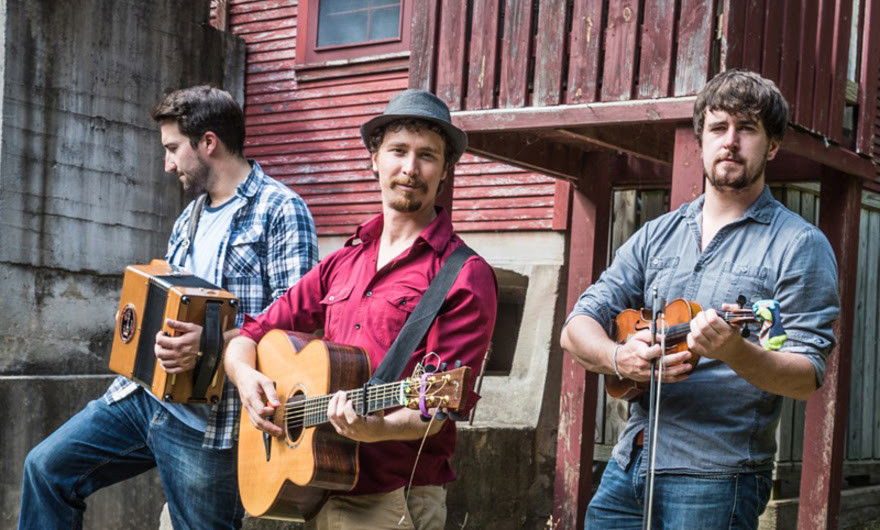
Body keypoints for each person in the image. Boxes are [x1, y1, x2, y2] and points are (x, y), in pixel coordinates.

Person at [18, 86, 318, 529]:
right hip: (143, 398)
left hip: (210, 425)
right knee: (46, 469)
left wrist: (211, 345)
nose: (168, 163)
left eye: (174, 148)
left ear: (208, 143)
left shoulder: (281, 209)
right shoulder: (189, 217)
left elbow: (299, 327)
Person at [560, 69, 840, 529]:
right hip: (628, 466)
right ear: (701, 141)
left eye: (747, 128)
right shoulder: (656, 235)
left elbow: (806, 376)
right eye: (718, 127)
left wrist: (735, 351)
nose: (730, 141)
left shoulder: (799, 245)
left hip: (717, 478)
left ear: (771, 146)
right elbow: (577, 326)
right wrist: (617, 358)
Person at [224, 89, 498, 530]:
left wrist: (377, 429)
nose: (410, 169)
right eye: (398, 151)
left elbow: (437, 409)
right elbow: (251, 335)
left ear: (446, 170)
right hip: (315, 483)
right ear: (374, 158)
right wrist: (245, 377)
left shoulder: (464, 275)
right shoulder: (344, 262)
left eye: (427, 156)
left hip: (392, 499)